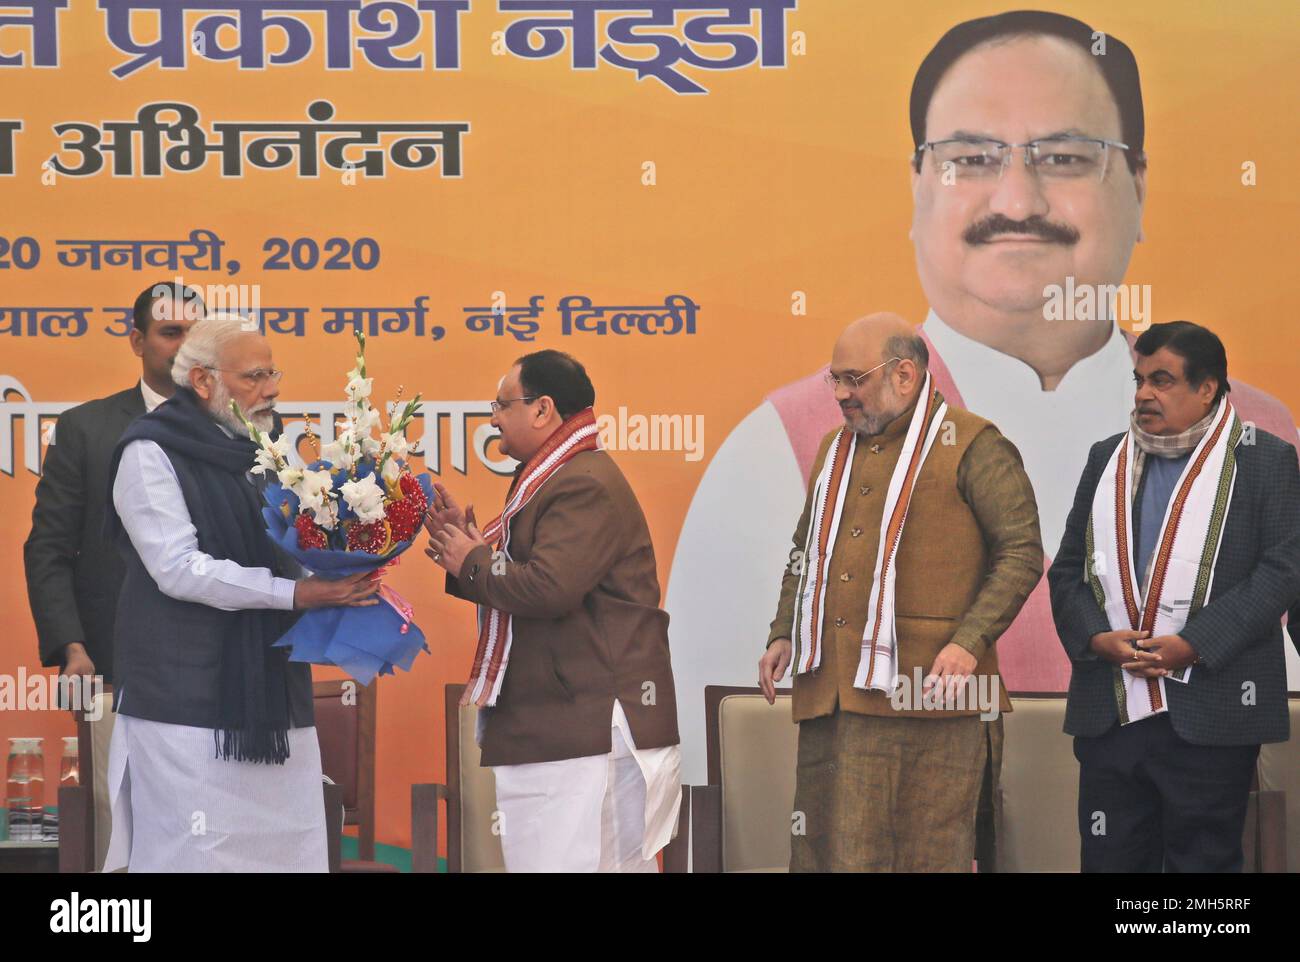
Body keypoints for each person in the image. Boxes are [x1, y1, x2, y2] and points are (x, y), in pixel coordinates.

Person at [664, 8, 1296, 784]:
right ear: (917, 185)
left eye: (1065, 155)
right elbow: (727, 775)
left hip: (1198, 777)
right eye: (970, 157)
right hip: (914, 788)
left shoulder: (1263, 433)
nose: (1019, 199)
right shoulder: (779, 448)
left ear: (1137, 182)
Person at [758, 313, 1042, 871]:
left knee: (926, 854)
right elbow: (804, 550)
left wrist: (969, 642)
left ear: (905, 375)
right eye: (833, 379)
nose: (840, 393)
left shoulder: (974, 444)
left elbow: (1021, 552)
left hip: (930, 700)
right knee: (830, 854)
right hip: (834, 698)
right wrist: (783, 632)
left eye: (853, 378)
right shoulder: (833, 451)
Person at [101, 314, 381, 872]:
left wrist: (342, 574)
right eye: (254, 376)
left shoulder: (264, 455)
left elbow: (288, 551)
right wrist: (295, 596)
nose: (272, 388)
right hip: (185, 703)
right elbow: (178, 568)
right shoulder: (148, 452)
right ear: (203, 381)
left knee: (288, 853)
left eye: (273, 372)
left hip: (273, 699)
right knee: (195, 854)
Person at [1048, 321, 1300, 872]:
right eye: (1139, 380)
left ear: (1207, 388)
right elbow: (1068, 570)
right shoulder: (1104, 459)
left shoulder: (1265, 460)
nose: (1143, 394)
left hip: (1210, 710)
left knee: (1202, 874)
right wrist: (1095, 637)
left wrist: (1195, 643)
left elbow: (1283, 570)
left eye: (1161, 381)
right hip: (1111, 710)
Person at [425, 349, 681, 873]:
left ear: (542, 410)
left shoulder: (580, 482)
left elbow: (549, 587)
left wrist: (474, 561)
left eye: (501, 404)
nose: (492, 417)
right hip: (565, 726)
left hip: (583, 728)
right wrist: (471, 550)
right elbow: (535, 574)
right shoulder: (555, 476)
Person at [25, 281, 205, 688]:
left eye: (197, 334)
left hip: (227, 653)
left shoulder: (244, 427)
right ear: (138, 341)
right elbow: (49, 549)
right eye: (171, 332)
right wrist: (72, 646)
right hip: (120, 653)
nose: (187, 346)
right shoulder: (86, 429)